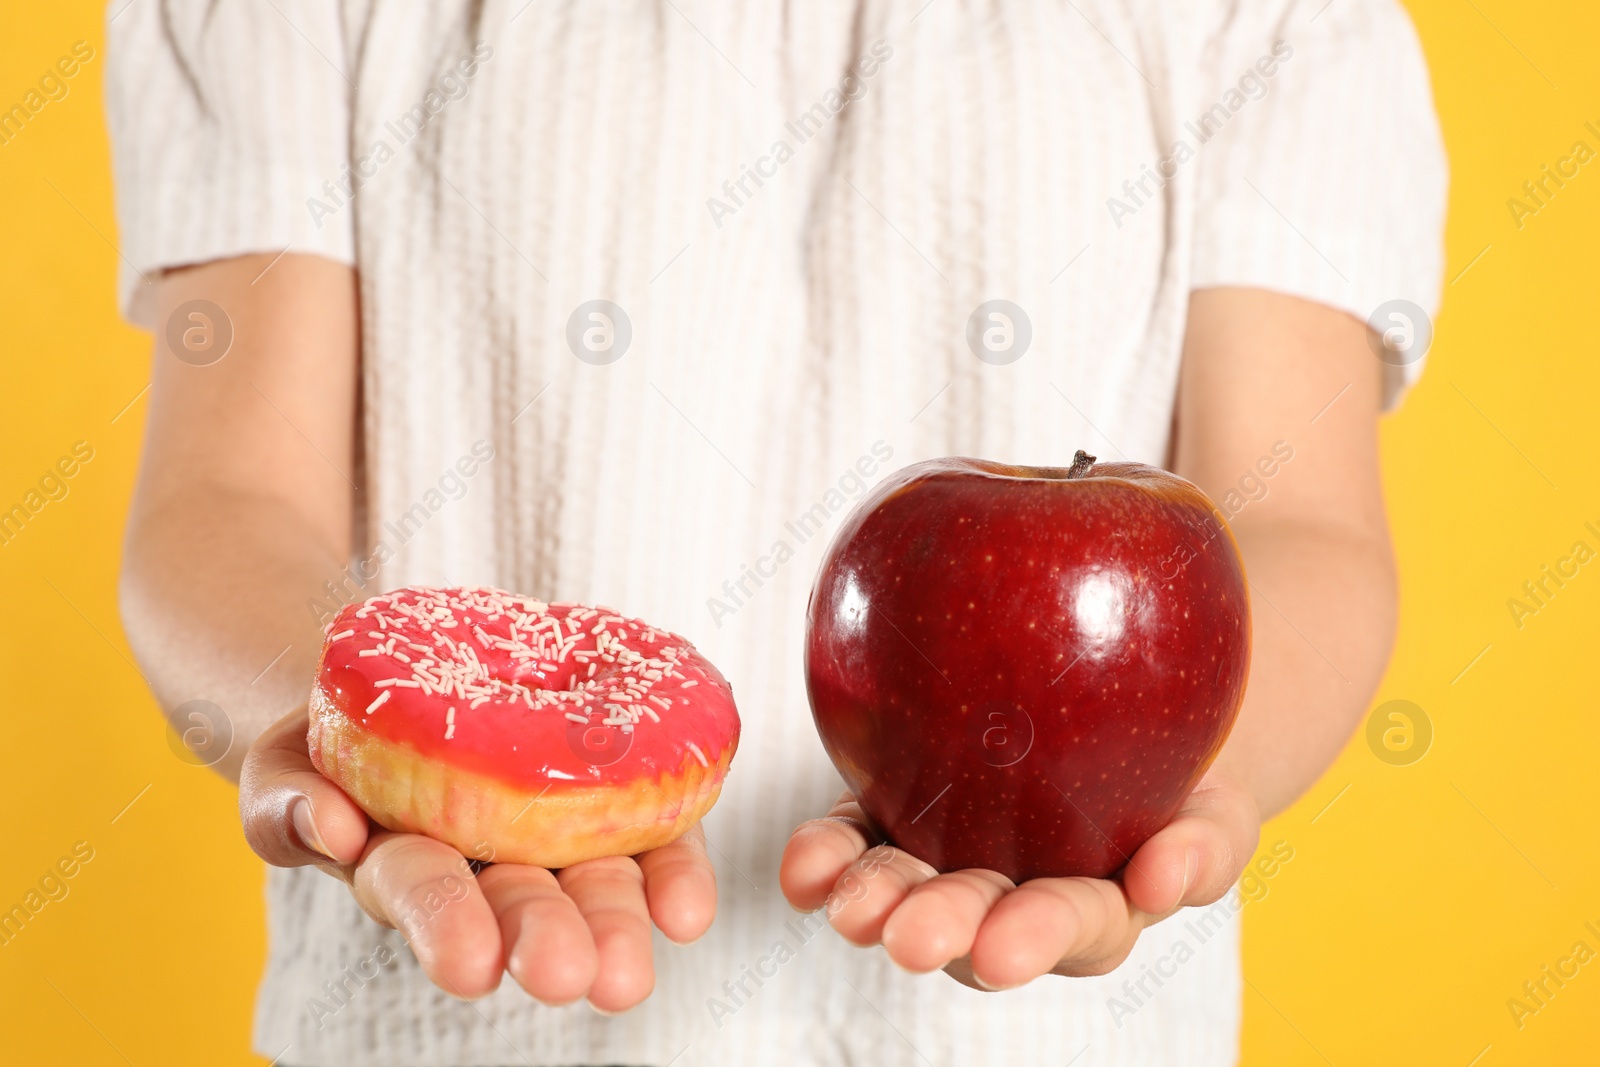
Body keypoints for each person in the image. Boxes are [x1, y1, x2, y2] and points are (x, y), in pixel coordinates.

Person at [107, 0, 1446, 1064]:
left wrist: (1187, 790)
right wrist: (337, 722)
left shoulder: (1268, 20)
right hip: (449, 1018)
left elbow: (1300, 526)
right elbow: (227, 503)